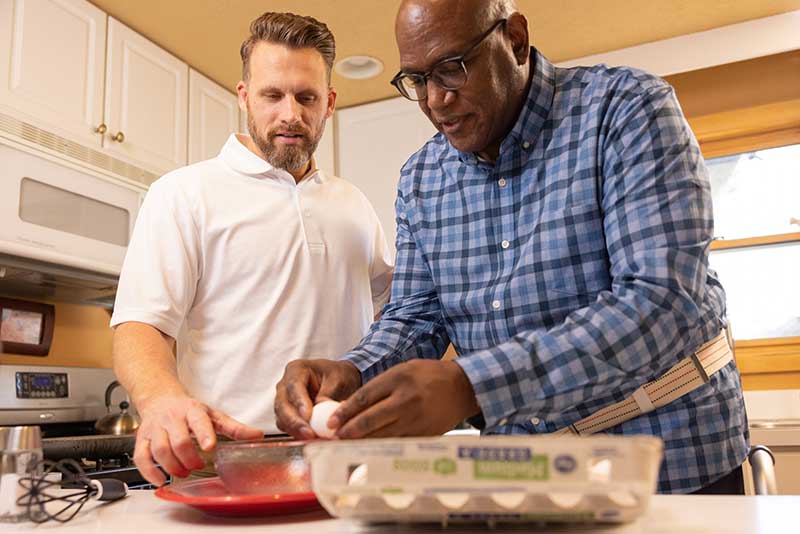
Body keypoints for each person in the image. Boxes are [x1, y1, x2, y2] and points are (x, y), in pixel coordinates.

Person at [275, 0, 749, 495]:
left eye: (451, 69)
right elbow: (415, 319)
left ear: (515, 39)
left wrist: (471, 384)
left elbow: (661, 302)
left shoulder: (625, 110)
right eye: (417, 80)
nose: (435, 100)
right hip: (524, 477)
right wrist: (353, 371)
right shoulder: (421, 178)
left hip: (670, 462)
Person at [111, 12, 393, 486]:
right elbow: (140, 324)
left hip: (348, 454)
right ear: (244, 96)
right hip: (226, 456)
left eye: (306, 97)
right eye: (272, 95)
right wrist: (160, 400)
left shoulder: (355, 204)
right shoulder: (182, 193)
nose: (290, 114)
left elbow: (397, 317)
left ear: (329, 103)